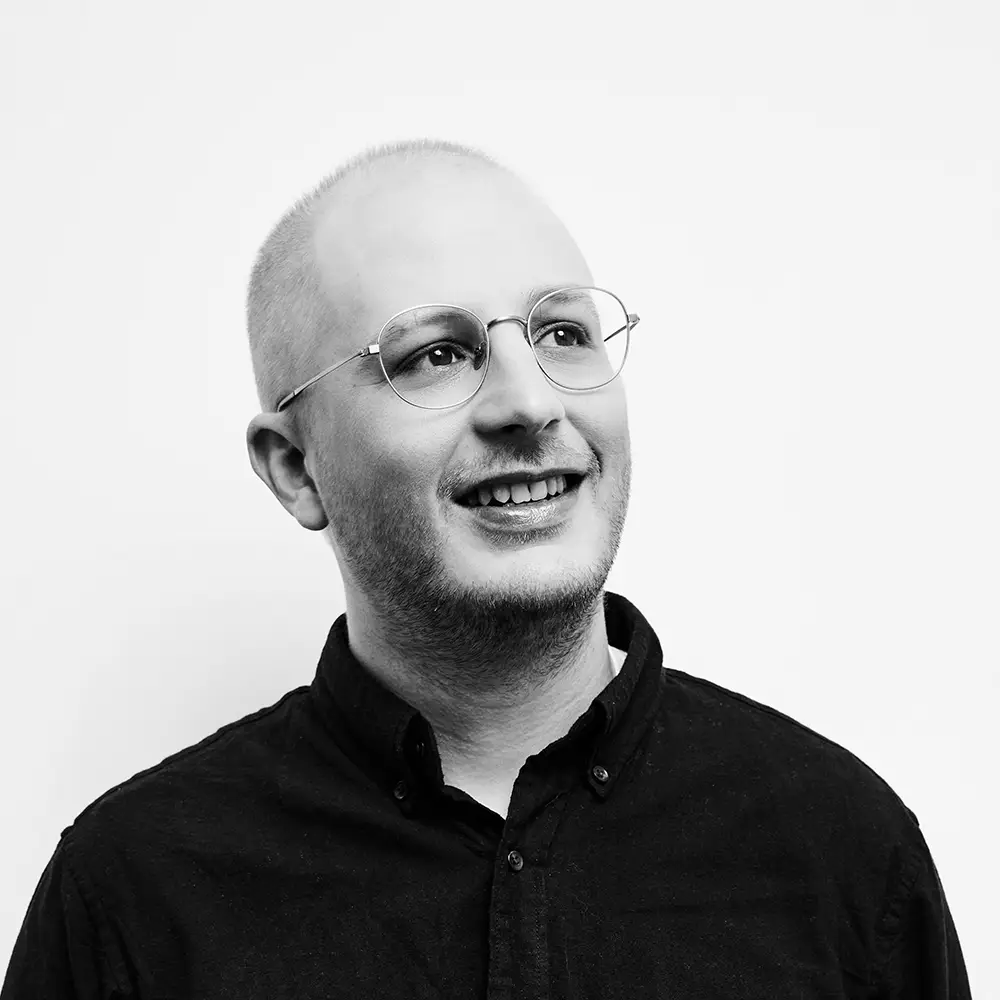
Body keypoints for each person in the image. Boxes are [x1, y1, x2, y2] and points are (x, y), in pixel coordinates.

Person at [3, 140, 970, 998]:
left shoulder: (844, 852)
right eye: (435, 354)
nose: (529, 402)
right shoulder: (129, 898)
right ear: (297, 468)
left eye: (562, 335)